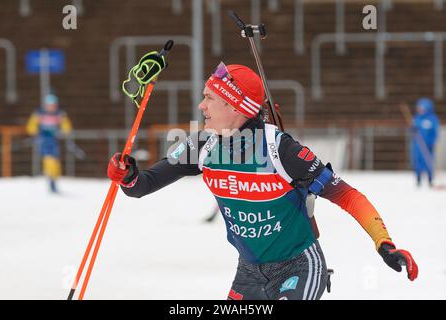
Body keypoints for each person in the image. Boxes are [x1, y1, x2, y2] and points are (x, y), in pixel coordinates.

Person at [107, 62, 418, 300]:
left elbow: (349, 196)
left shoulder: (279, 149)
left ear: (234, 107)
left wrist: (384, 243)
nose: (201, 106)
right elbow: (141, 186)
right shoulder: (202, 145)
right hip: (249, 273)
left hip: (299, 267)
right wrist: (128, 175)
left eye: (209, 98)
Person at [26, 93, 72, 193]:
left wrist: (64, 128)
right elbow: (31, 126)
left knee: (56, 163)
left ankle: (53, 180)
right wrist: (34, 131)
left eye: (53, 105)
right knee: (48, 160)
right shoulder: (39, 113)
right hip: (43, 140)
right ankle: (50, 179)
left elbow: (66, 127)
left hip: (54, 141)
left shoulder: (59, 114)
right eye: (49, 105)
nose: (51, 108)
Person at [411, 98, 440, 187]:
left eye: (421, 108)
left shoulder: (433, 119)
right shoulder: (417, 118)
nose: (419, 110)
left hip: (428, 145)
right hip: (418, 145)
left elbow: (435, 132)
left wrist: (431, 142)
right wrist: (413, 129)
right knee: (417, 162)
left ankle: (430, 180)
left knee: (429, 162)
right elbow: (413, 130)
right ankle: (418, 179)